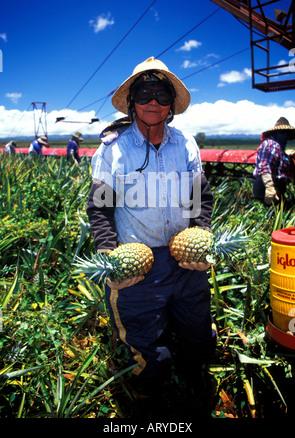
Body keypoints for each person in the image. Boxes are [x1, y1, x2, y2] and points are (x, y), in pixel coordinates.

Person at [87, 57, 216, 416]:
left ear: (171, 104)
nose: (153, 102)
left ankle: (194, 374)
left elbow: (200, 197)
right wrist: (109, 251)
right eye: (144, 93)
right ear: (132, 102)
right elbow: (99, 209)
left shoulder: (186, 145)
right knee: (145, 337)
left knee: (196, 327)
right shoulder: (114, 149)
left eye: (161, 94)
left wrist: (201, 232)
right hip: (138, 260)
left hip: (184, 256)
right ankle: (148, 389)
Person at [253, 117, 295, 205]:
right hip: (267, 187)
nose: (285, 136)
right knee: (266, 214)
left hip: (276, 187)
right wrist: (269, 187)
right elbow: (264, 165)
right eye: (282, 132)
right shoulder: (270, 144)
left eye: (287, 133)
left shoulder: (279, 148)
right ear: (275, 133)